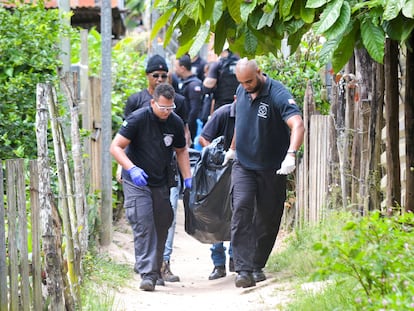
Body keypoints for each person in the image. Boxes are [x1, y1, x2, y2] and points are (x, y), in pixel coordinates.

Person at [225, 58, 304, 288]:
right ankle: (243, 269)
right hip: (244, 164)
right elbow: (240, 120)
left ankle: (257, 264)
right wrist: (232, 149)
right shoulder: (241, 89)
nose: (246, 85)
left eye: (249, 81)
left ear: (259, 72)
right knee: (241, 209)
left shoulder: (277, 94)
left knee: (268, 219)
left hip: (272, 168)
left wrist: (291, 154)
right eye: (242, 82)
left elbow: (297, 124)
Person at [110, 83, 192, 292]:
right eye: (163, 107)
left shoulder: (175, 122)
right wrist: (131, 168)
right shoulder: (138, 119)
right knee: (144, 222)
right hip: (137, 181)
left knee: (163, 222)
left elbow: (181, 151)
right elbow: (116, 146)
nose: (166, 112)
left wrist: (188, 178)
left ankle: (155, 270)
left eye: (170, 108)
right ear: (153, 102)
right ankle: (147, 274)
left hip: (161, 180)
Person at [198, 100, 236, 280]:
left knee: (239, 213)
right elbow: (203, 138)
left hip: (240, 170)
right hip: (217, 173)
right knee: (216, 216)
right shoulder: (223, 113)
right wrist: (217, 156)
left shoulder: (251, 114)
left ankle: (236, 259)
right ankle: (218, 264)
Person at [174, 54, 203, 144]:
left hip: (190, 126)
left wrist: (187, 129)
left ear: (182, 68)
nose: (175, 70)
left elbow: (194, 109)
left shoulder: (193, 84)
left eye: (176, 67)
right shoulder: (184, 82)